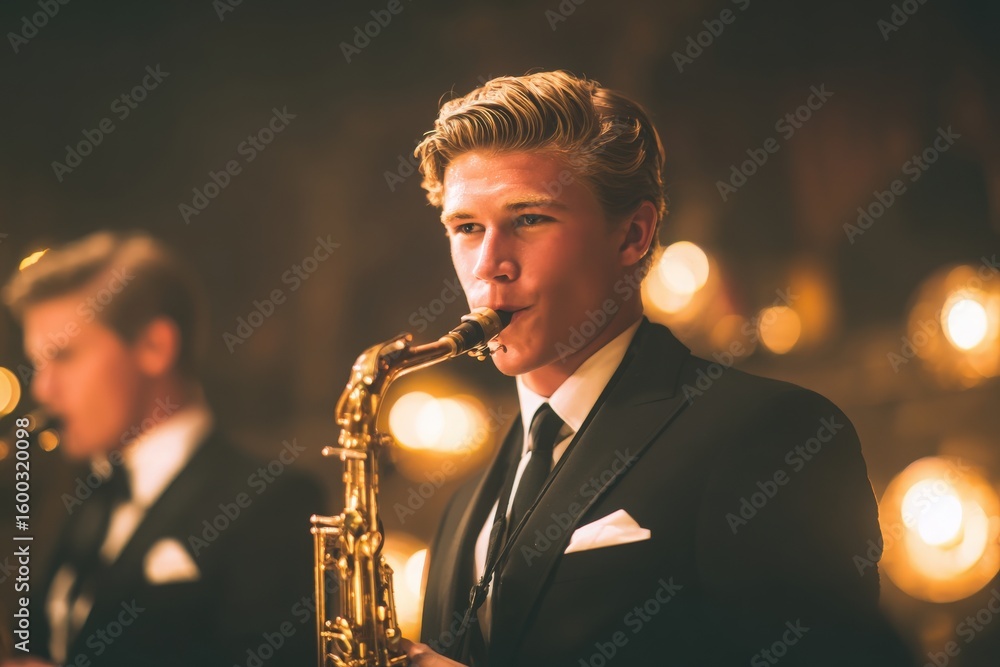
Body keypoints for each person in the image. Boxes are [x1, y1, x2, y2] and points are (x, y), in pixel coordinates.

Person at [403, 71, 916, 666]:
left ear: (634, 235)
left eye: (530, 220)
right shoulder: (464, 507)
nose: (490, 265)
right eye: (467, 228)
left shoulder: (772, 433)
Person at [2, 232, 323, 667]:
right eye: (38, 364)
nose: (42, 388)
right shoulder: (84, 488)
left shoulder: (278, 500)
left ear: (155, 346)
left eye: (64, 356)